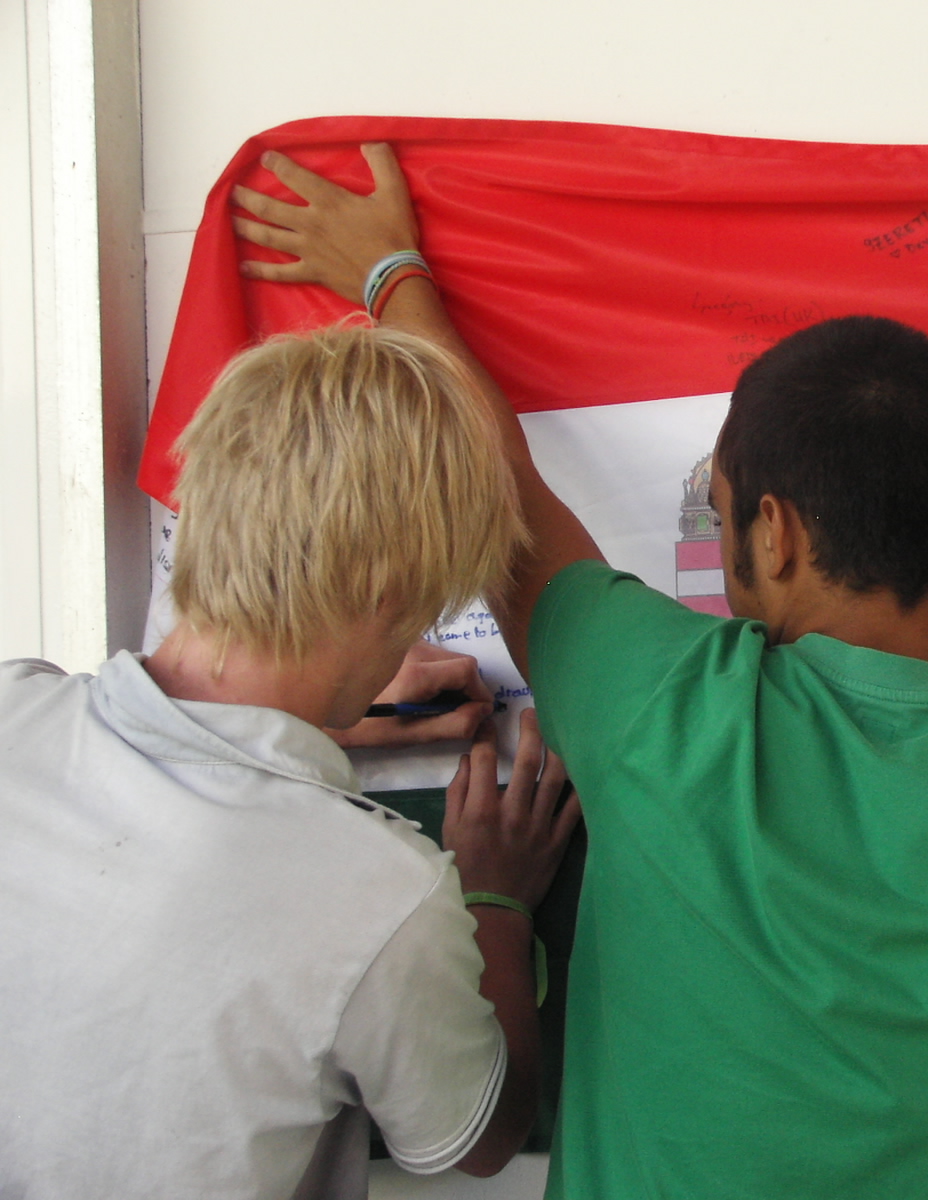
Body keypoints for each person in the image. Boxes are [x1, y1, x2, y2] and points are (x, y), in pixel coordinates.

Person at [231, 116, 928, 1199]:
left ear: (772, 535)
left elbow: (498, 483)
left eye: (717, 511)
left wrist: (390, 272)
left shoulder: (663, 711)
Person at [0, 327, 582, 1198]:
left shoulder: (15, 709)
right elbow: (481, 1137)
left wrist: (315, 718)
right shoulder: (381, 890)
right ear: (391, 594)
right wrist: (495, 901)